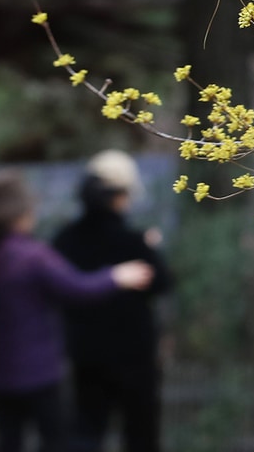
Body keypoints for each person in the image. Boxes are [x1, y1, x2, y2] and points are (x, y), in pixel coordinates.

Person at [0, 168, 154, 452]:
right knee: (55, 440)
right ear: (22, 213)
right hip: (37, 371)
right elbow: (76, 287)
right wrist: (116, 277)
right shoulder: (31, 256)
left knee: (7, 439)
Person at [52, 150, 173, 452]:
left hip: (86, 354)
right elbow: (163, 282)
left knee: (86, 433)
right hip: (134, 356)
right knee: (141, 436)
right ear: (119, 196)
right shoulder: (133, 241)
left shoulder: (65, 240)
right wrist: (149, 249)